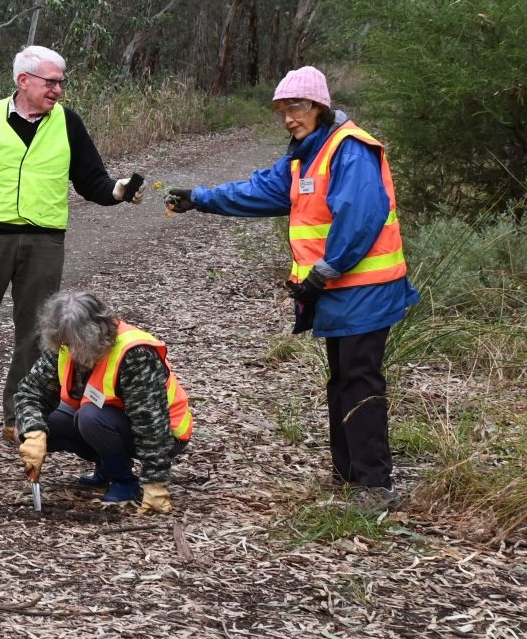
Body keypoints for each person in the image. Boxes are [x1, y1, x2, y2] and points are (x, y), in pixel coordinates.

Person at [164, 66, 416, 505]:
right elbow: (262, 190)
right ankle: (349, 475)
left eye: (296, 108)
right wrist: (200, 198)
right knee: (342, 379)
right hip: (341, 290)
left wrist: (327, 268)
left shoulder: (349, 149)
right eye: (281, 110)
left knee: (359, 380)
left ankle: (376, 485)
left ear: (319, 106)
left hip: (366, 289)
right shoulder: (306, 153)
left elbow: (362, 216)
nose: (288, 118)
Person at [0, 46, 146, 447]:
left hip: (44, 242)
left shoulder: (68, 123)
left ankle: (19, 416)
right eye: (50, 82)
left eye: (60, 82)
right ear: (24, 81)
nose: (58, 90)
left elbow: (92, 181)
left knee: (36, 333)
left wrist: (118, 191)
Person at [13, 290, 191, 511]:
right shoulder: (64, 343)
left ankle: (124, 481)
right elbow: (30, 392)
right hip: (105, 421)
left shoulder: (135, 353)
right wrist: (33, 433)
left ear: (93, 333)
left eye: (75, 342)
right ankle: (107, 467)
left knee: (91, 417)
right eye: (65, 342)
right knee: (48, 423)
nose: (69, 349)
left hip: (165, 434)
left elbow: (151, 423)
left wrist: (156, 483)